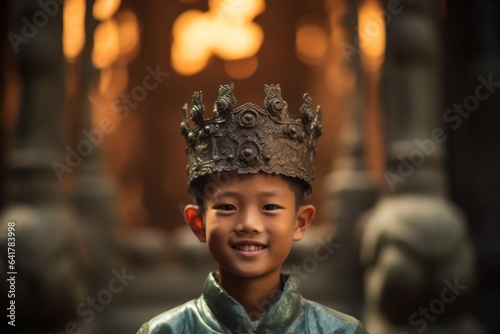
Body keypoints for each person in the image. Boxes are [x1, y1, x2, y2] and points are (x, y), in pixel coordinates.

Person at [137, 83, 368, 333]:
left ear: (300, 222)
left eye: (269, 206)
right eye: (227, 207)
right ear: (198, 222)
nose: (249, 223)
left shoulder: (340, 331)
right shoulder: (165, 330)